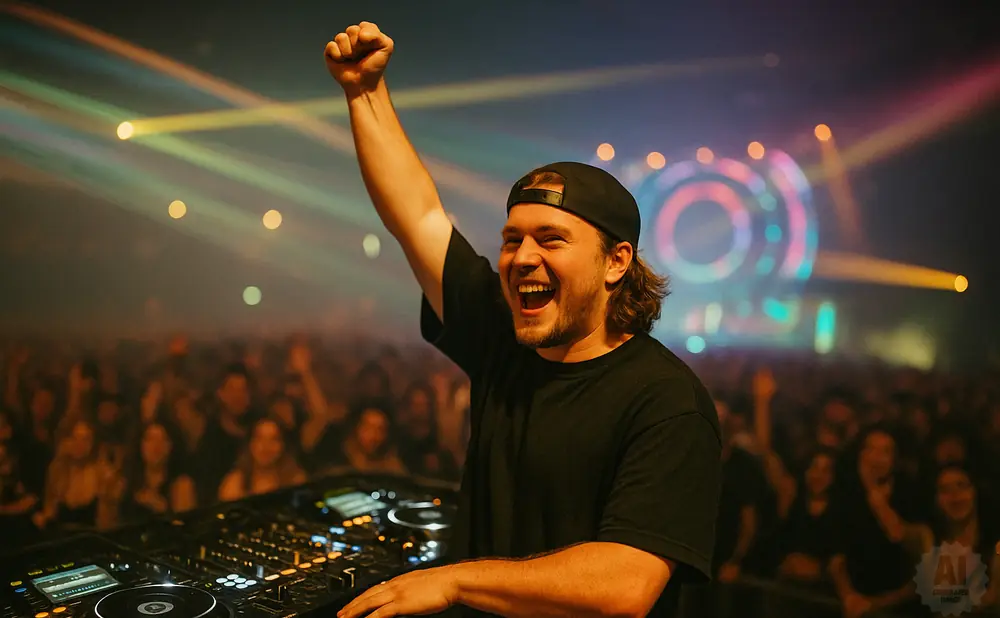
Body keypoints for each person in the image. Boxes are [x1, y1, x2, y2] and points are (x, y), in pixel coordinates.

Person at [324, 22, 721, 618]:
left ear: (616, 262)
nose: (521, 258)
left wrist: (455, 581)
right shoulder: (505, 338)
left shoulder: (666, 401)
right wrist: (365, 93)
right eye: (512, 239)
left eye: (551, 239)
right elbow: (419, 216)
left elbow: (625, 583)